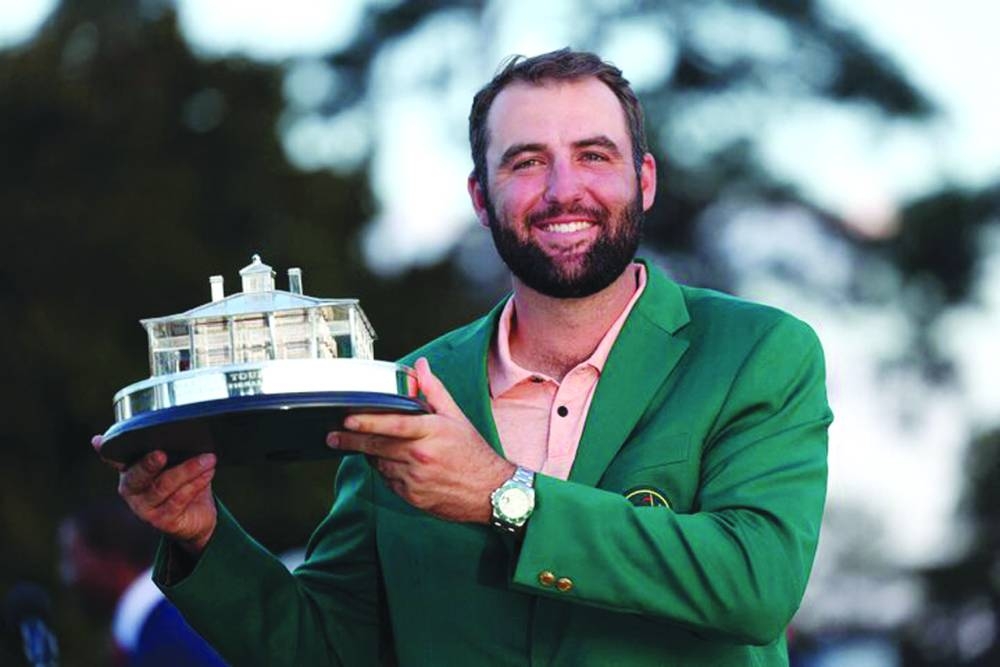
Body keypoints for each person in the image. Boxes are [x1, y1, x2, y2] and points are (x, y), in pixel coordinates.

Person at [96, 48, 832, 666]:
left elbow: (756, 582)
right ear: (482, 197)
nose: (563, 189)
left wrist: (500, 494)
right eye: (526, 161)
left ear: (643, 179)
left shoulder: (756, 352)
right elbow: (329, 646)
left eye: (593, 156)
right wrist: (203, 537)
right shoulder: (401, 389)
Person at [58, 501, 226, 666]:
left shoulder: (169, 633)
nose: (66, 576)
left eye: (72, 559)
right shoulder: (164, 624)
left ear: (110, 558)